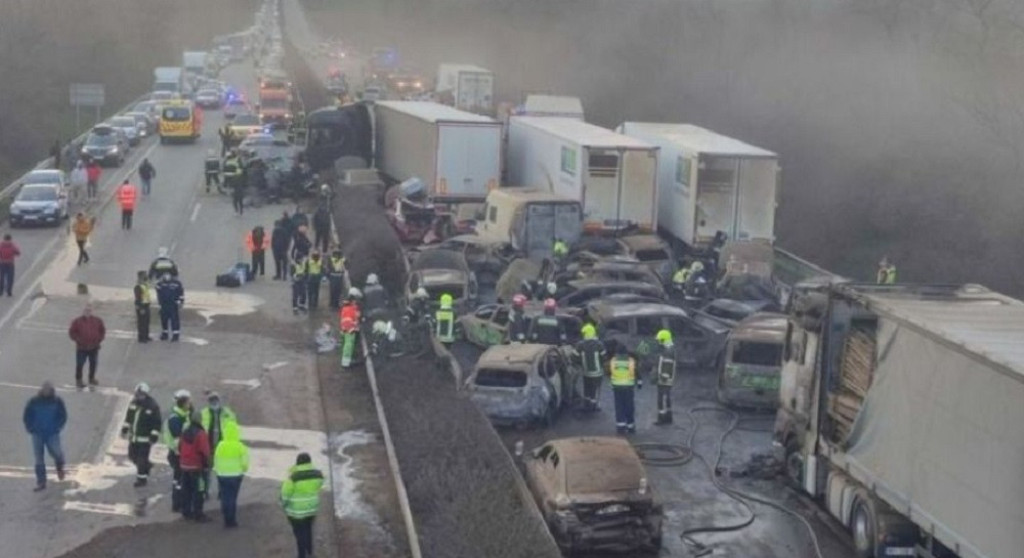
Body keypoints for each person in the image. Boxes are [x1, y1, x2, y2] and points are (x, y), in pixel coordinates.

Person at [23, 382, 67, 491]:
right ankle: (41, 482)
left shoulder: (57, 401)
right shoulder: (34, 401)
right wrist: (30, 428)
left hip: (52, 433)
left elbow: (63, 415)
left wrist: (58, 427)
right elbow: (27, 415)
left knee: (57, 453)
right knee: (39, 458)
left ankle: (59, 466)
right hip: (37, 433)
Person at [280, 452, 324, 558]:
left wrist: (283, 504)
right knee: (308, 530)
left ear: (297, 463)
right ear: (310, 462)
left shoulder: (293, 477)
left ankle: (302, 555)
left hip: (296, 511)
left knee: (299, 534)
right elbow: (320, 484)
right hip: (312, 508)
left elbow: (285, 493)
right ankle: (310, 552)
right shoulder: (318, 474)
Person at [121, 382, 162, 487]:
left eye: (140, 394)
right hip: (134, 438)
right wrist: (125, 428)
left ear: (145, 394)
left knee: (141, 459)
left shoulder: (152, 406)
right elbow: (129, 417)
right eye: (137, 394)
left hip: (145, 439)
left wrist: (154, 436)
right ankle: (146, 467)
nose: (138, 396)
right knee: (132, 456)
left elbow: (157, 423)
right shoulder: (133, 403)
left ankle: (141, 479)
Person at [213, 420, 249, 528]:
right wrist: (243, 470)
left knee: (224, 496)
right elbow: (245, 463)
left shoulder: (220, 445)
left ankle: (226, 518)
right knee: (232, 497)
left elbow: (216, 460)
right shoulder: (240, 446)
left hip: (222, 475)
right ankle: (231, 520)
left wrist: (218, 471)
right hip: (235, 475)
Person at [178, 411, 211, 522]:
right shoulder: (201, 433)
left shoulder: (185, 432)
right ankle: (198, 514)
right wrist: (206, 465)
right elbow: (205, 451)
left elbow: (179, 447)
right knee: (199, 490)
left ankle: (186, 512)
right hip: (196, 467)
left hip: (184, 466)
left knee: (186, 490)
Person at [163, 390, 192, 512]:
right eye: (188, 402)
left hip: (179, 453)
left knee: (180, 480)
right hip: (178, 454)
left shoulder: (183, 416)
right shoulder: (176, 419)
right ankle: (177, 504)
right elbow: (178, 440)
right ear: (183, 403)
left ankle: (180, 503)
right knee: (179, 480)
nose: (190, 404)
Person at [68, 303, 105, 389]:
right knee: (80, 364)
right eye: (86, 310)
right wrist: (78, 340)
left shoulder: (98, 321)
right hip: (82, 348)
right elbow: (72, 332)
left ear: (92, 311)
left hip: (94, 347)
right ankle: (79, 380)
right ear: (83, 311)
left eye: (89, 310)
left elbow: (102, 330)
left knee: (93, 363)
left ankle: (91, 378)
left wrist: (99, 339)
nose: (87, 312)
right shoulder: (77, 321)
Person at [609, 345, 639, 434]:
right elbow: (633, 372)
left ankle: (620, 427)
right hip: (628, 387)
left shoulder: (613, 360)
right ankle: (631, 427)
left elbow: (611, 372)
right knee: (629, 406)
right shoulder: (630, 360)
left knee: (619, 406)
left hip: (617, 387)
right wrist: (639, 382)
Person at [577, 324, 606, 411]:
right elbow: (604, 357)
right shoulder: (599, 345)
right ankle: (594, 405)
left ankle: (587, 404)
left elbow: (574, 357)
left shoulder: (580, 345)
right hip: (597, 373)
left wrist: (581, 364)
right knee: (595, 389)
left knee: (587, 388)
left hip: (586, 372)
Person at [653, 329, 677, 425]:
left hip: (664, 379)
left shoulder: (667, 351)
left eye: (659, 340)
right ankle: (668, 416)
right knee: (666, 398)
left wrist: (661, 377)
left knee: (661, 398)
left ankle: (662, 418)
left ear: (664, 340)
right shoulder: (669, 349)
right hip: (666, 379)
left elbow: (667, 366)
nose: (658, 342)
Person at [156, 272, 184, 341]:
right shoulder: (160, 284)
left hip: (173, 304)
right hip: (164, 305)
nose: (166, 276)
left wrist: (180, 301)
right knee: (164, 319)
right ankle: (165, 334)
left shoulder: (177, 283)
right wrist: (160, 304)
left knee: (174, 320)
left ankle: (175, 335)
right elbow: (159, 294)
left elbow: (181, 293)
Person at [339, 289, 362, 367]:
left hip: (347, 329)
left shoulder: (347, 307)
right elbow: (353, 319)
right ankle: (346, 362)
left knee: (348, 344)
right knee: (348, 345)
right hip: (350, 329)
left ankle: (347, 360)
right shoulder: (351, 308)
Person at [133, 271, 153, 343]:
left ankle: (146, 336)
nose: (146, 276)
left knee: (146, 322)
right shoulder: (138, 286)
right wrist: (141, 308)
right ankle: (141, 337)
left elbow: (150, 280)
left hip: (146, 305)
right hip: (142, 306)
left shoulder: (144, 285)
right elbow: (138, 298)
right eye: (145, 275)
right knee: (142, 323)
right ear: (141, 277)